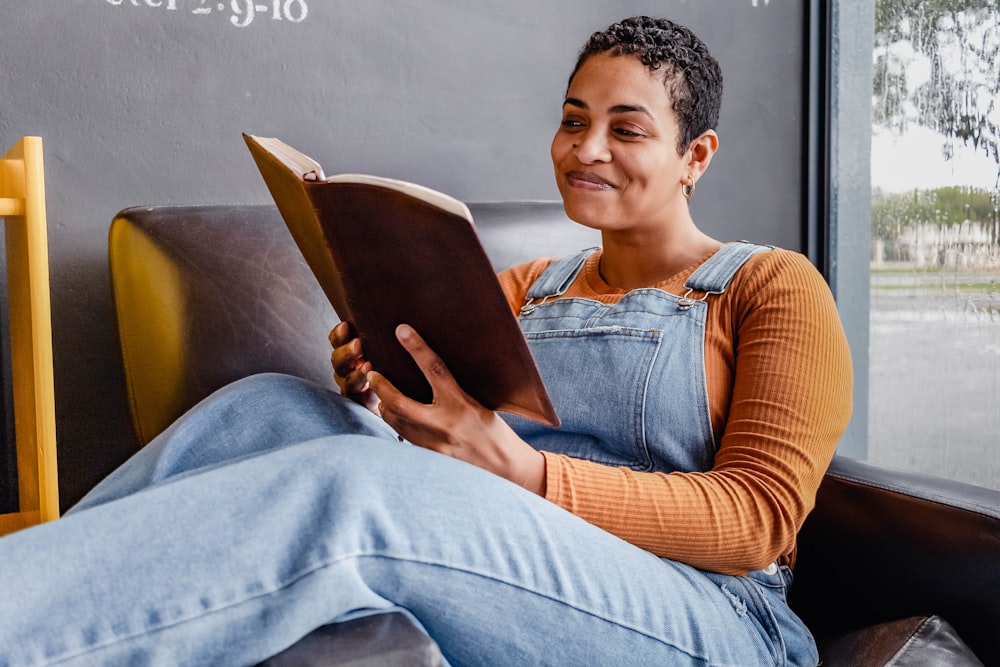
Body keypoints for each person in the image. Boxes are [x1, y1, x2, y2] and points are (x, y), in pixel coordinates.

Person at [0, 15, 852, 667]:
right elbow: (456, 449)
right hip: (526, 558)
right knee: (268, 407)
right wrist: (382, 384)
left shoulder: (767, 285)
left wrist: (524, 470)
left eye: (626, 129)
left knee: (361, 490)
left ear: (694, 155)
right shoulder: (530, 284)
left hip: (709, 614)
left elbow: (760, 520)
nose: (586, 149)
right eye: (572, 119)